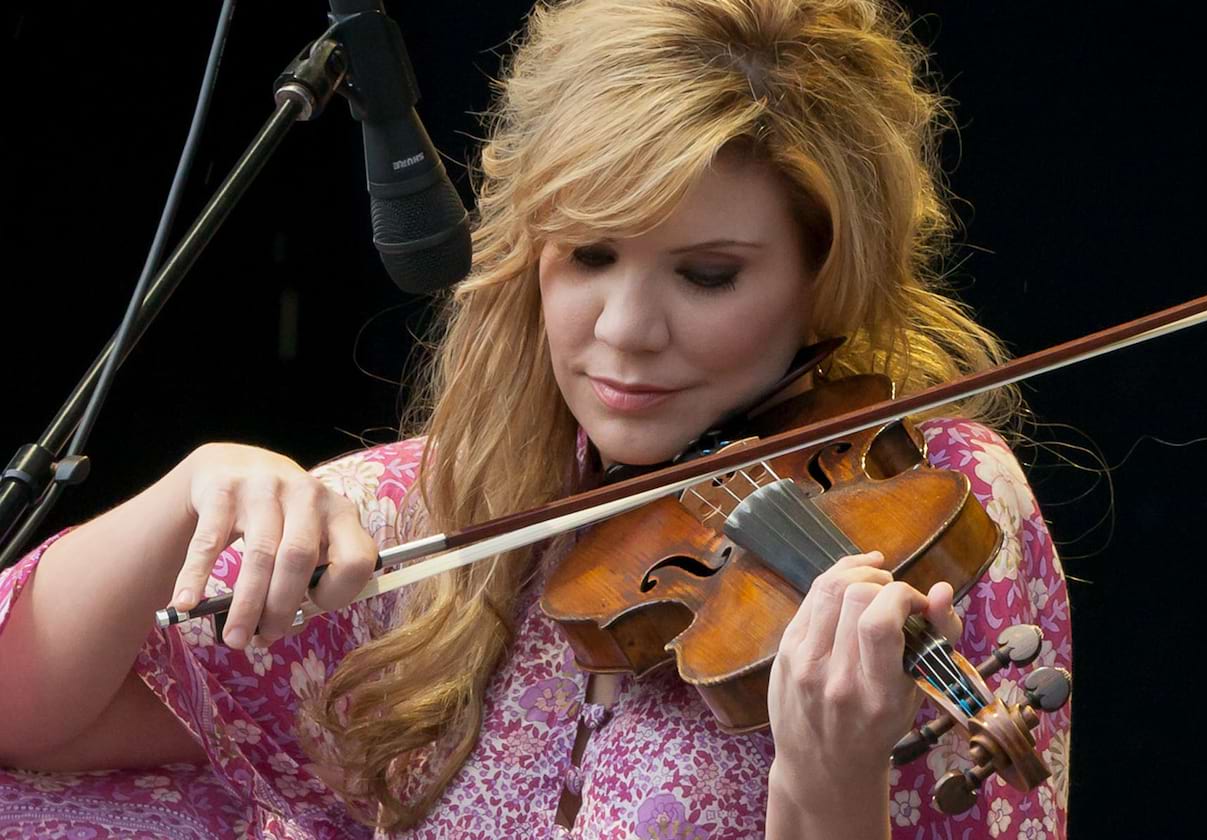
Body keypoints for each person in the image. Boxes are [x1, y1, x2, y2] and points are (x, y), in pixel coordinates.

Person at [0, 1, 1071, 837]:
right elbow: (24, 726)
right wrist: (187, 493)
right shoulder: (426, 512)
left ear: (819, 277)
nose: (625, 329)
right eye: (589, 255)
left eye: (705, 276)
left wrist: (829, 785)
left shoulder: (932, 502)